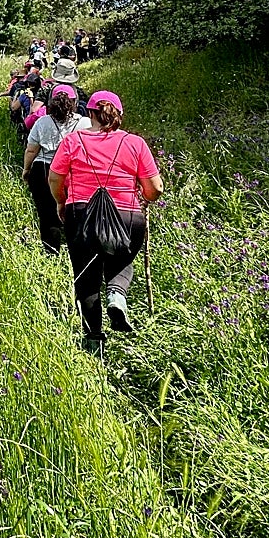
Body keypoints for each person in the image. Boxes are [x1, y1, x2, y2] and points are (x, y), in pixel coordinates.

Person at [48, 90, 163, 354]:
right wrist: (144, 196)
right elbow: (155, 188)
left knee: (87, 278)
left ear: (89, 114)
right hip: (128, 215)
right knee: (122, 259)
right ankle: (117, 295)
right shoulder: (135, 143)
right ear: (119, 116)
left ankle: (93, 342)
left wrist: (60, 201)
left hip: (81, 214)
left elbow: (55, 178)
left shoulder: (73, 141)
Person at [21, 84, 88, 254]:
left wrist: (26, 170)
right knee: (76, 212)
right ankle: (77, 250)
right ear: (74, 102)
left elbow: (31, 149)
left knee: (47, 214)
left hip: (43, 169)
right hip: (73, 171)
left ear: (50, 102)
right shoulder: (84, 123)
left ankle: (51, 251)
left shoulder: (42, 122)